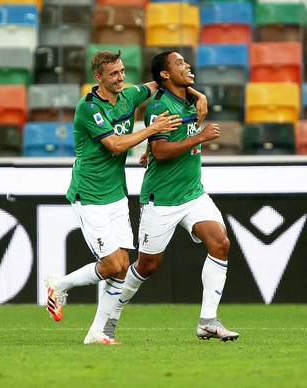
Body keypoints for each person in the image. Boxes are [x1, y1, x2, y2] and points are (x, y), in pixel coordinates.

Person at [45, 50, 208, 345]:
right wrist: (152, 130)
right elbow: (116, 146)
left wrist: (198, 95)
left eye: (122, 72)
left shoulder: (129, 95)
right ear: (98, 78)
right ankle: (61, 284)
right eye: (114, 74)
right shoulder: (89, 107)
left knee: (122, 267)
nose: (121, 78)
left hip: (117, 195)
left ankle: (96, 332)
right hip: (90, 195)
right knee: (110, 265)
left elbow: (161, 82)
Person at [109, 51, 239, 342]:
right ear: (165, 75)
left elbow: (171, 132)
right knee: (147, 266)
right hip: (162, 199)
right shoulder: (159, 107)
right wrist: (200, 137)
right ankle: (111, 314)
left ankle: (208, 321)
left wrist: (197, 92)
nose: (188, 66)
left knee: (220, 243)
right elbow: (161, 152)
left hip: (193, 193)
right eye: (179, 63)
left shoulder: (190, 98)